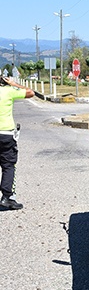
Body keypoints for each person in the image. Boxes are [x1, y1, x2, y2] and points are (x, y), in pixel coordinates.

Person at [0, 76, 34, 210]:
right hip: (6, 134)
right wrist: (14, 84)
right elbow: (30, 92)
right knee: (8, 165)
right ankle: (7, 197)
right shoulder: (8, 91)